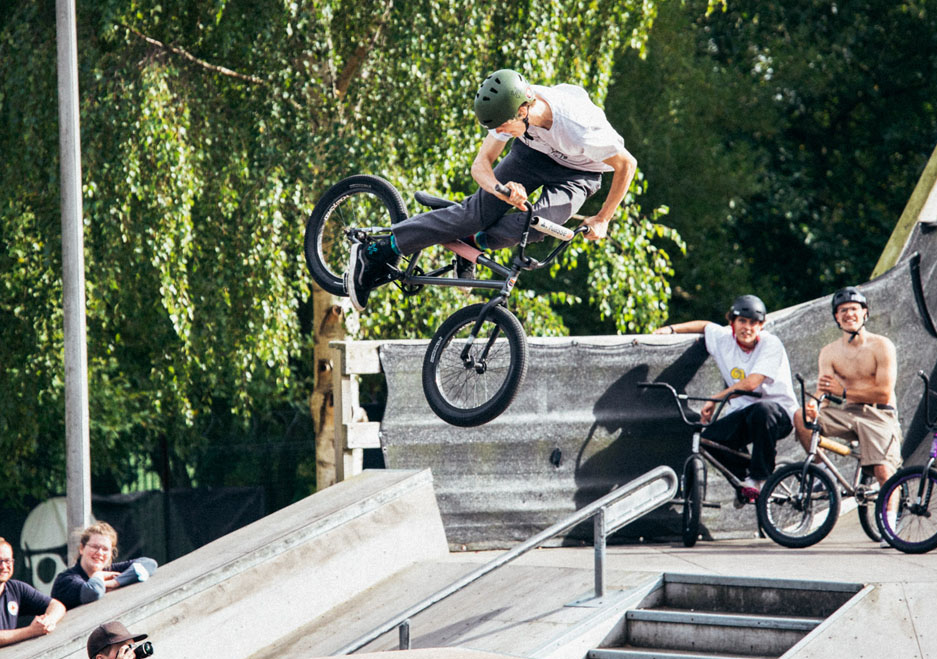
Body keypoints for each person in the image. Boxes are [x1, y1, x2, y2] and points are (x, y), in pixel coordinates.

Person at [346, 68, 638, 311]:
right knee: (474, 213)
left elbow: (627, 165)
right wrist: (501, 190)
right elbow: (480, 165)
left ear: (525, 110)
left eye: (505, 128)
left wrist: (602, 218)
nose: (502, 133)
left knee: (539, 226)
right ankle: (377, 250)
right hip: (533, 153)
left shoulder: (581, 127)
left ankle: (471, 242)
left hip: (579, 173)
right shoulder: (508, 110)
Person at [655, 295, 799, 501]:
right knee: (707, 441)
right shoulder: (723, 339)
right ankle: (744, 481)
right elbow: (705, 326)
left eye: (753, 323)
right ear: (731, 322)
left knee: (762, 410)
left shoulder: (771, 344)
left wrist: (715, 399)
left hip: (779, 415)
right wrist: (671, 329)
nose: (747, 328)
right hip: (743, 414)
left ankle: (760, 478)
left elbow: (752, 383)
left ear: (762, 326)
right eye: (742, 321)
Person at [793, 286, 902, 494]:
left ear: (865, 313)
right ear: (836, 317)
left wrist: (843, 393)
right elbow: (824, 391)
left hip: (880, 414)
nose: (849, 314)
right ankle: (824, 475)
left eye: (853, 309)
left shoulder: (882, 345)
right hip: (849, 413)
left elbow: (884, 392)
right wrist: (814, 404)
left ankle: (890, 520)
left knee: (883, 472)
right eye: (842, 310)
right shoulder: (829, 352)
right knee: (801, 417)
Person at [52, 521, 157, 610]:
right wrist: (99, 576)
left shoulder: (110, 571)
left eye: (105, 549)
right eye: (95, 547)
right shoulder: (65, 580)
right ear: (82, 548)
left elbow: (149, 564)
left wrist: (115, 582)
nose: (100, 553)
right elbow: (93, 592)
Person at [0, 537, 66, 647]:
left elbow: (57, 605)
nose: (3, 566)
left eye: (7, 561)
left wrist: (48, 621)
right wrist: (32, 631)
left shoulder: (16, 588)